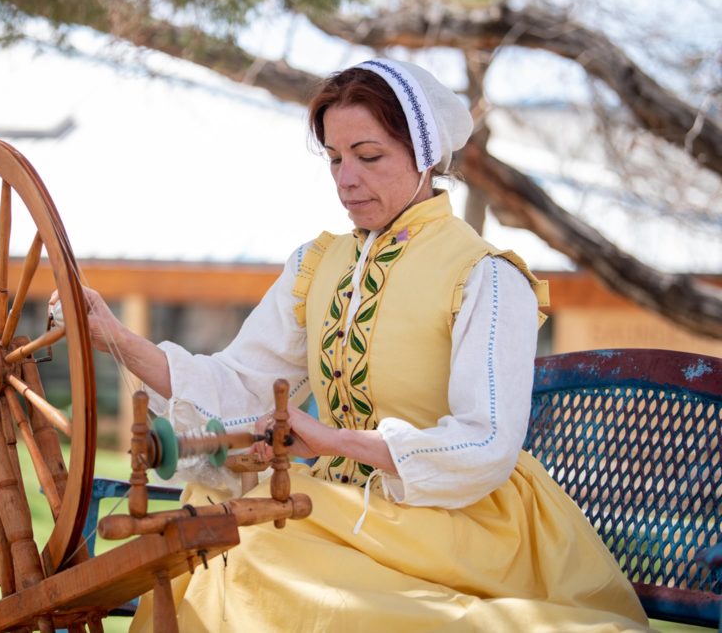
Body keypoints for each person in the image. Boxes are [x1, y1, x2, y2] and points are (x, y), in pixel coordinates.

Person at [70, 59, 650, 632]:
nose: (347, 179)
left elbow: (487, 443)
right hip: (338, 510)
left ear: (425, 155)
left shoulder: (487, 279)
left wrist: (335, 440)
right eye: (334, 159)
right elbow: (240, 385)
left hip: (460, 528)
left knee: (244, 555)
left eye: (369, 156)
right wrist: (118, 340)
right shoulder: (317, 266)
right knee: (218, 538)